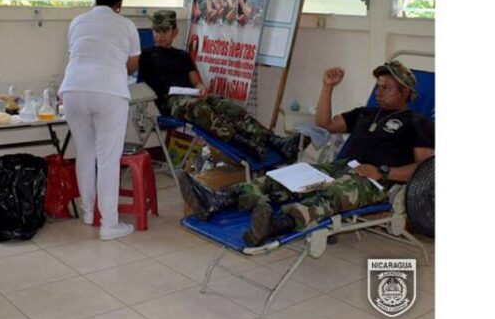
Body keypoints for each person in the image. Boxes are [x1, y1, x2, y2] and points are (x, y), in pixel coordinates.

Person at [180, 61, 435, 247]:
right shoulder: (365, 113)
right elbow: (324, 124)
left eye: (387, 88)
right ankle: (218, 200)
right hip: (341, 167)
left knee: (332, 193)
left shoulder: (417, 121)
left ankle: (277, 225)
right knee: (285, 177)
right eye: (377, 86)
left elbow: (426, 170)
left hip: (373, 180)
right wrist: (327, 87)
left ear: (407, 94)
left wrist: (383, 172)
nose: (379, 92)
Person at [138, 10, 302, 161]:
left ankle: (274, 141)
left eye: (164, 31)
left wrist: (201, 87)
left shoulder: (183, 55)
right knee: (200, 109)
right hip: (171, 102)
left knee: (229, 107)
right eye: (156, 31)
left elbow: (196, 81)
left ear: (175, 32)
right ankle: (244, 146)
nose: (159, 36)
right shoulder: (146, 55)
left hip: (191, 96)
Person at [58, 0, 141, 241]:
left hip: (73, 90)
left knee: (85, 153)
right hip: (109, 92)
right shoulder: (127, 25)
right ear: (118, 4)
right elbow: (132, 65)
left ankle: (88, 213)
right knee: (107, 158)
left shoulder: (78, 22)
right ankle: (110, 224)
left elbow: (78, 53)